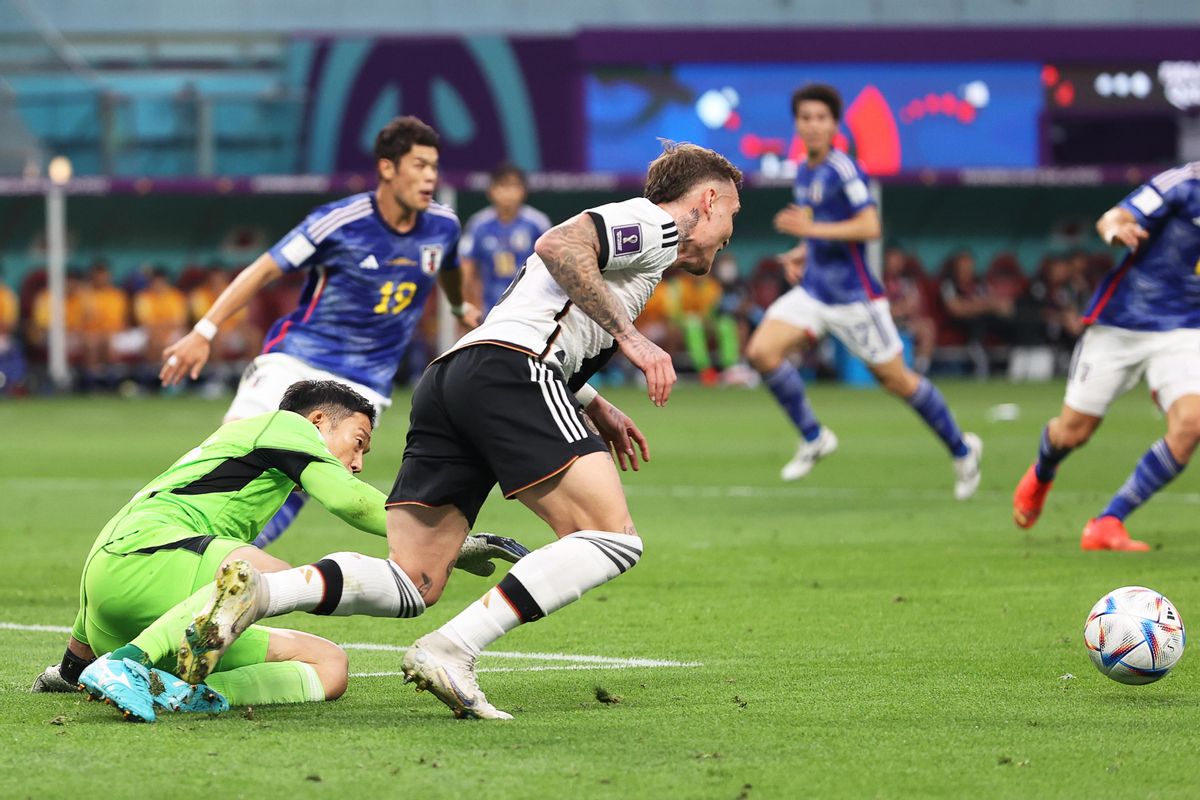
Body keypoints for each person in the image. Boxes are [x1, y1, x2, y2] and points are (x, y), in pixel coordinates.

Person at [173, 142, 743, 721]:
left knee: (414, 577)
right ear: (709, 198)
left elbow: (531, 313)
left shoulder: (643, 248)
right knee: (611, 538)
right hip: (510, 374)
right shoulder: (658, 222)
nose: (728, 235)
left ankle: (263, 593)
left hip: (453, 378)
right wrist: (632, 337)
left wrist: (593, 401)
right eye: (732, 217)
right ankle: (452, 649)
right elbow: (559, 245)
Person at [32, 380, 524, 721]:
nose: (355, 463)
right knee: (260, 573)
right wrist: (451, 544)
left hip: (115, 611)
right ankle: (131, 664)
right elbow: (351, 503)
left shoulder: (238, 471)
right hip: (137, 569)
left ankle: (179, 693)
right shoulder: (284, 427)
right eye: (357, 443)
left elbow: (106, 585)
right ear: (316, 421)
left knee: (330, 667)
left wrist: (71, 666)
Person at [158, 116, 479, 548]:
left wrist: (460, 308)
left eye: (434, 167)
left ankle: (230, 560)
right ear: (387, 168)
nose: (430, 177)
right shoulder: (339, 221)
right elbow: (264, 269)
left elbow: (450, 267)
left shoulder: (444, 226)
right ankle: (160, 534)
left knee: (297, 485)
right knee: (234, 452)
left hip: (364, 383)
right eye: (419, 165)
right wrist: (205, 330)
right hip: (296, 361)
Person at [744, 83, 982, 496]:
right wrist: (802, 251)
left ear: (835, 125)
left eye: (821, 118)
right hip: (815, 290)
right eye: (806, 118)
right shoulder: (804, 170)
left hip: (854, 299)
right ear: (797, 125)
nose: (813, 125)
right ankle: (815, 437)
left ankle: (963, 450)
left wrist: (811, 230)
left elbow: (870, 227)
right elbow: (818, 231)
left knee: (898, 381)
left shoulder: (844, 169)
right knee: (761, 352)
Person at [1012, 162, 1200, 550]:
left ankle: (1108, 521)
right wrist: (1116, 229)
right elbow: (1114, 217)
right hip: (1123, 322)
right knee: (1073, 432)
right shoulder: (1183, 184)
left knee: (1191, 425)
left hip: (1185, 329)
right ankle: (1044, 470)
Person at [459, 162, 551, 317]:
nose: (508, 193)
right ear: (491, 191)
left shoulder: (537, 224)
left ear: (524, 191)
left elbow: (550, 269)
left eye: (514, 186)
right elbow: (466, 270)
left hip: (529, 311)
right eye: (502, 186)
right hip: (489, 311)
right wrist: (468, 307)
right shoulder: (478, 225)